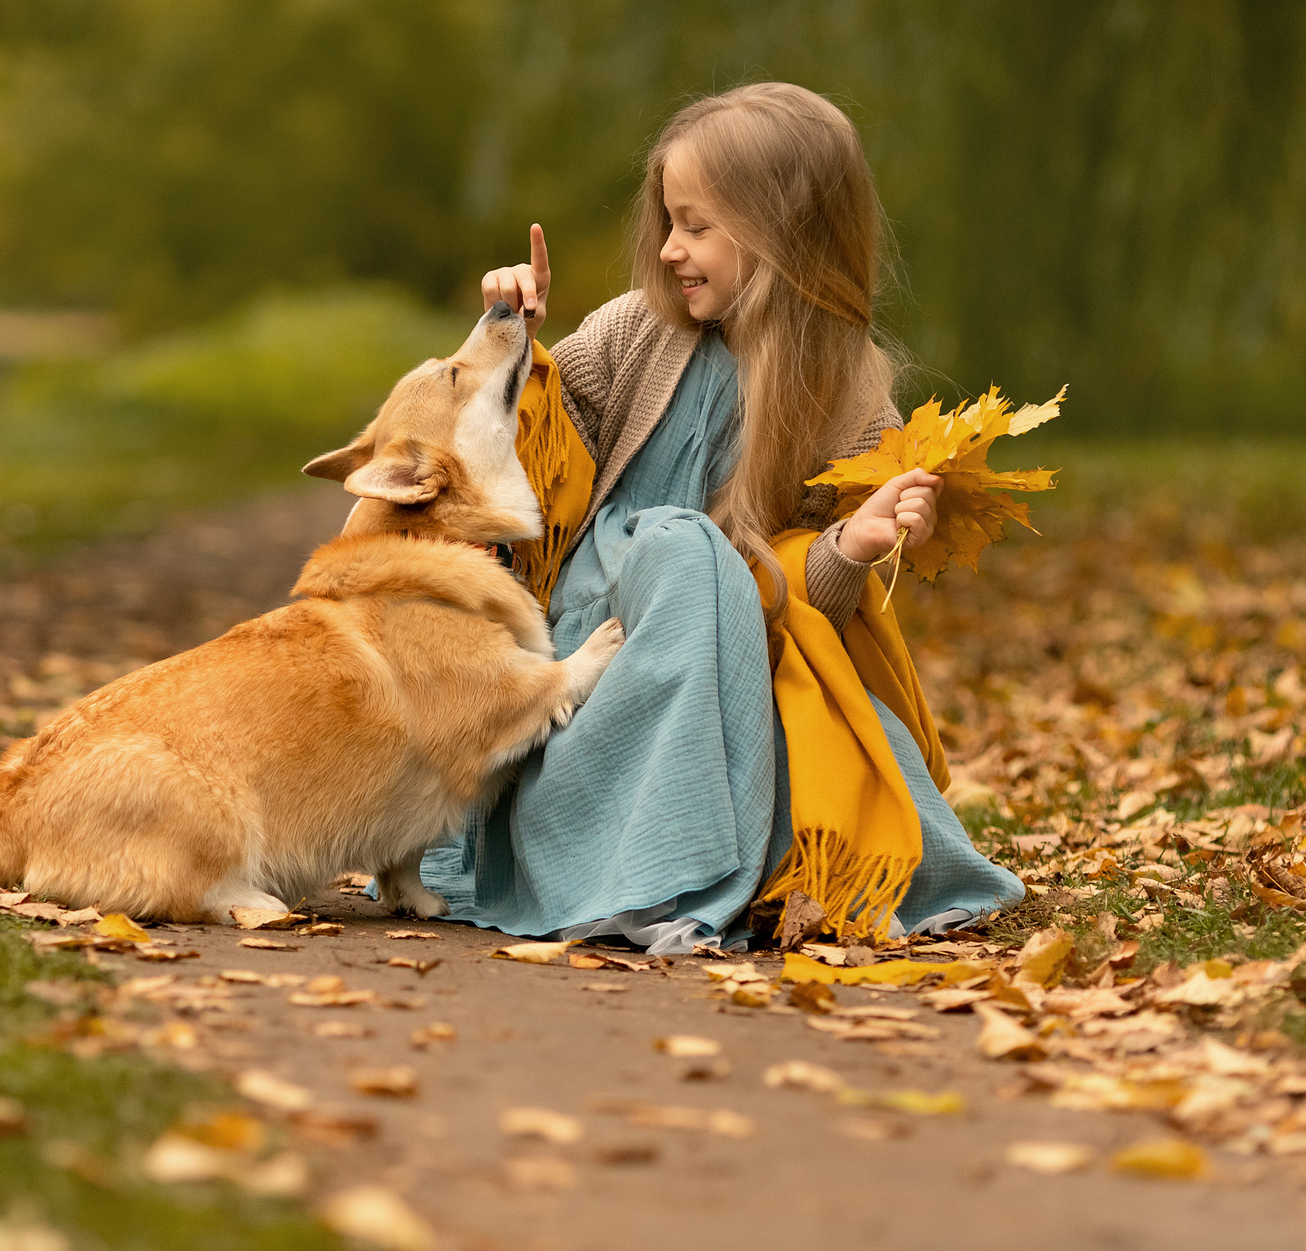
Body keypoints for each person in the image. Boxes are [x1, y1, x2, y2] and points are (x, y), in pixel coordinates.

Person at [419, 82, 1022, 952]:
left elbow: (816, 612)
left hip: (736, 650)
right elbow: (530, 468)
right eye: (668, 221)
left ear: (783, 234)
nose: (669, 250)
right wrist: (515, 343)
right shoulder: (634, 332)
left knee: (724, 587)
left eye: (696, 226)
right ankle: (613, 853)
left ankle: (701, 863)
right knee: (679, 544)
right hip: (596, 636)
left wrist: (854, 544)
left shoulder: (850, 397)